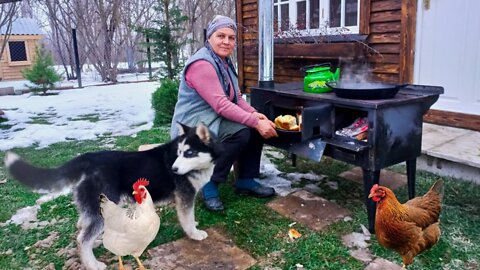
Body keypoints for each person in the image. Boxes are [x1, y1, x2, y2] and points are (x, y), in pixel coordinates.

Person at [170, 15, 278, 211]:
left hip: (212, 118)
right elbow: (221, 104)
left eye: (231, 37)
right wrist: (254, 121)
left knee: (252, 127)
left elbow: (235, 98)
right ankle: (208, 183)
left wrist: (255, 114)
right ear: (210, 37)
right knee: (242, 131)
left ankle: (245, 179)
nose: (226, 42)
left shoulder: (224, 63)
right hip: (193, 125)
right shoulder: (202, 64)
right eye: (221, 36)